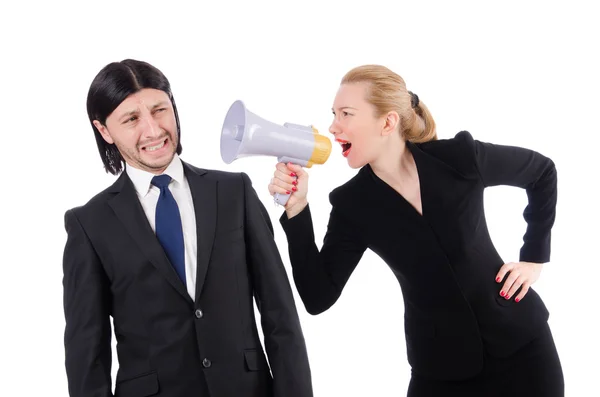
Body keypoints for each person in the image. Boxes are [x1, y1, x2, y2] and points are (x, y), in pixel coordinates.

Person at [268, 64, 563, 397]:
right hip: (440, 369)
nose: (333, 127)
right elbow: (317, 296)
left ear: (388, 122)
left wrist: (534, 258)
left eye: (346, 114)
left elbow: (541, 173)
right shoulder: (353, 205)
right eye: (334, 114)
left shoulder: (459, 158)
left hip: (522, 350)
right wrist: (297, 209)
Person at [62, 59, 313, 397]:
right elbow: (86, 356)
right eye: (132, 119)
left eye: (160, 110)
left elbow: (280, 317)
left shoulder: (233, 192)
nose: (153, 130)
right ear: (104, 130)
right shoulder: (89, 224)